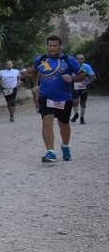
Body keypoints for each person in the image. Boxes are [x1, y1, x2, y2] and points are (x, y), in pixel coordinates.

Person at [32, 35, 84, 163]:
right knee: (47, 122)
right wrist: (35, 85)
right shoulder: (41, 59)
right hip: (45, 98)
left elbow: (83, 75)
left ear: (60, 46)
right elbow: (33, 72)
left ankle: (65, 146)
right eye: (50, 45)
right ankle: (50, 152)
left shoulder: (69, 60)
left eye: (55, 46)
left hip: (63, 98)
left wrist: (72, 79)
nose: (52, 48)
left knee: (64, 125)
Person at [70, 54, 96, 124]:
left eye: (81, 59)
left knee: (83, 103)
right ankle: (76, 114)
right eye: (78, 59)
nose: (79, 60)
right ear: (75, 60)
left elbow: (93, 77)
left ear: (84, 60)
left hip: (83, 87)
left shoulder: (87, 67)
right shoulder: (72, 66)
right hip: (74, 86)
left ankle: (82, 117)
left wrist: (87, 83)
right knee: (74, 101)